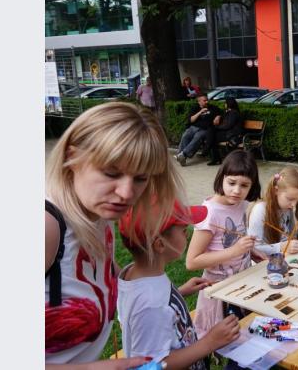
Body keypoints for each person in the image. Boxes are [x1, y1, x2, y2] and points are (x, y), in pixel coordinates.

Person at [45, 102, 185, 369]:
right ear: (71, 159)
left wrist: (168, 295)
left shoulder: (97, 216)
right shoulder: (47, 227)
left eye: (141, 178)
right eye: (111, 173)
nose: (127, 193)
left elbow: (108, 280)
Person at [117, 202, 240, 370]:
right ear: (160, 244)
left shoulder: (137, 275)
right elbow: (152, 365)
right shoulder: (151, 303)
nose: (188, 235)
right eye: (183, 231)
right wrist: (210, 342)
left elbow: (144, 314)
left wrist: (178, 293)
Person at [185, 149, 261, 339]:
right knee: (224, 342)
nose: (237, 190)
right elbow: (192, 261)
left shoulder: (241, 204)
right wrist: (235, 251)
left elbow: (236, 239)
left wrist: (252, 252)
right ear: (221, 178)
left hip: (241, 284)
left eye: (244, 185)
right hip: (219, 292)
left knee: (244, 335)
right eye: (232, 183)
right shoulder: (210, 213)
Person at [248, 167, 298, 257]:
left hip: (284, 257)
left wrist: (295, 244)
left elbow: (291, 235)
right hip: (265, 263)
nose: (294, 205)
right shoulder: (260, 210)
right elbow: (253, 249)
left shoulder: (287, 206)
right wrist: (281, 246)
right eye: (290, 199)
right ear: (276, 190)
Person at [175, 93, 222, 167]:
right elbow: (191, 120)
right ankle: (181, 156)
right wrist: (200, 112)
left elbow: (220, 112)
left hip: (205, 129)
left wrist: (218, 116)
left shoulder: (213, 108)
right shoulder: (195, 108)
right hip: (194, 127)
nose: (207, 102)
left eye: (207, 100)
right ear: (199, 101)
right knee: (185, 135)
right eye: (204, 100)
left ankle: (182, 155)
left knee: (197, 137)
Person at [206, 97, 244, 166]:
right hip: (228, 133)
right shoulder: (229, 112)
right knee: (212, 135)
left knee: (212, 136)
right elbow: (225, 124)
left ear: (228, 104)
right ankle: (213, 155)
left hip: (233, 135)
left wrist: (217, 127)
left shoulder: (234, 113)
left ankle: (212, 155)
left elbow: (228, 125)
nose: (224, 105)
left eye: (225, 103)